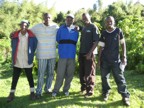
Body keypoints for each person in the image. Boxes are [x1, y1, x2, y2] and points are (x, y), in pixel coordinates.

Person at [98, 16, 130, 106]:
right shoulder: (104, 33)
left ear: (114, 22)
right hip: (105, 60)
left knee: (120, 78)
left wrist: (124, 56)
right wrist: (99, 60)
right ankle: (105, 92)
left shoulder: (118, 31)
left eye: (111, 21)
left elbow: (123, 45)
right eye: (107, 21)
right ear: (105, 23)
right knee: (104, 78)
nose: (109, 23)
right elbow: (101, 47)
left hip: (116, 60)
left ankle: (125, 96)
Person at [7, 20, 38, 102]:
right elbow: (12, 45)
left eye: (25, 25)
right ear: (20, 26)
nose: (23, 27)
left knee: (30, 77)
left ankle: (32, 92)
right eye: (22, 25)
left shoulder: (32, 36)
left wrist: (31, 54)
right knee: (15, 78)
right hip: (17, 60)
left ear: (27, 26)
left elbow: (35, 45)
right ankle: (11, 93)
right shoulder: (15, 35)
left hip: (27, 60)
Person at [31, 13, 59, 98]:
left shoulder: (56, 27)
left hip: (52, 54)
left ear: (51, 18)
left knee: (50, 73)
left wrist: (77, 28)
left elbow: (64, 29)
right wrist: (16, 33)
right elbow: (27, 31)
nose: (47, 19)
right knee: (41, 74)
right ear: (43, 18)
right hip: (41, 55)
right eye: (46, 17)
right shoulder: (37, 27)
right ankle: (38, 91)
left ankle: (48, 89)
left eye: (49, 17)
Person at [52, 14, 79, 97]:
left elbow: (76, 40)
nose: (69, 20)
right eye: (68, 19)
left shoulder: (76, 30)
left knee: (69, 74)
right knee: (60, 74)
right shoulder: (60, 29)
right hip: (62, 55)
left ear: (73, 20)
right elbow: (58, 39)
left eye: (71, 19)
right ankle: (56, 90)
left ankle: (66, 90)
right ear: (65, 20)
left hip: (71, 56)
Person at [78, 13, 99, 98]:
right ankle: (83, 88)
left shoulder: (93, 27)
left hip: (90, 54)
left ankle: (90, 90)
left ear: (89, 17)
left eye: (86, 17)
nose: (84, 19)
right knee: (82, 72)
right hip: (82, 53)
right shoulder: (84, 28)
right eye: (83, 18)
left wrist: (90, 53)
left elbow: (96, 41)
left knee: (89, 72)